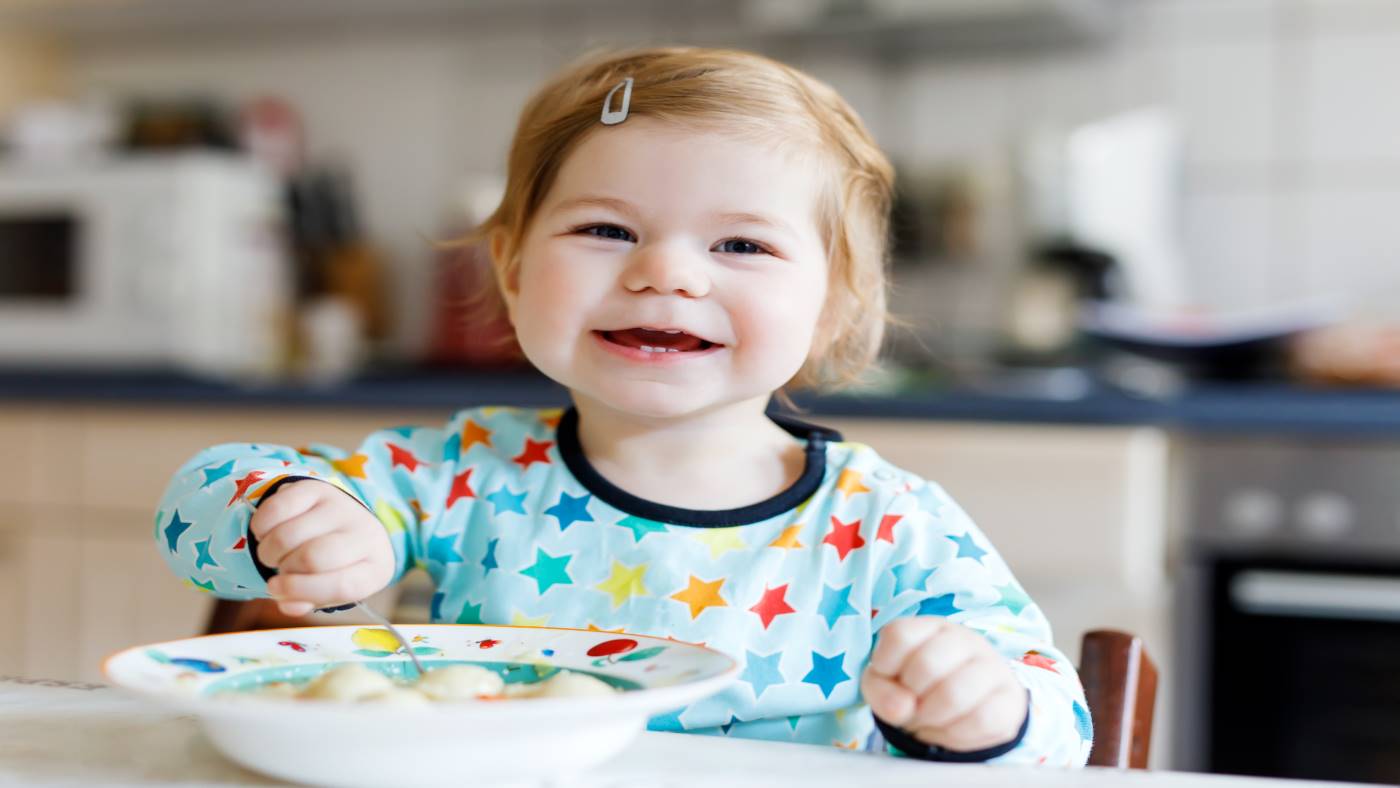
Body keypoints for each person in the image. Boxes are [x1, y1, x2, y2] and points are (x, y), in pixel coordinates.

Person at [156, 46, 1092, 766]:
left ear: (833, 306)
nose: (665, 274)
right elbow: (193, 513)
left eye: (742, 246)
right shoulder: (457, 473)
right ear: (514, 273)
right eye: (607, 230)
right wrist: (283, 512)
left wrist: (986, 710)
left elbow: (1061, 726)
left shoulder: (889, 525)